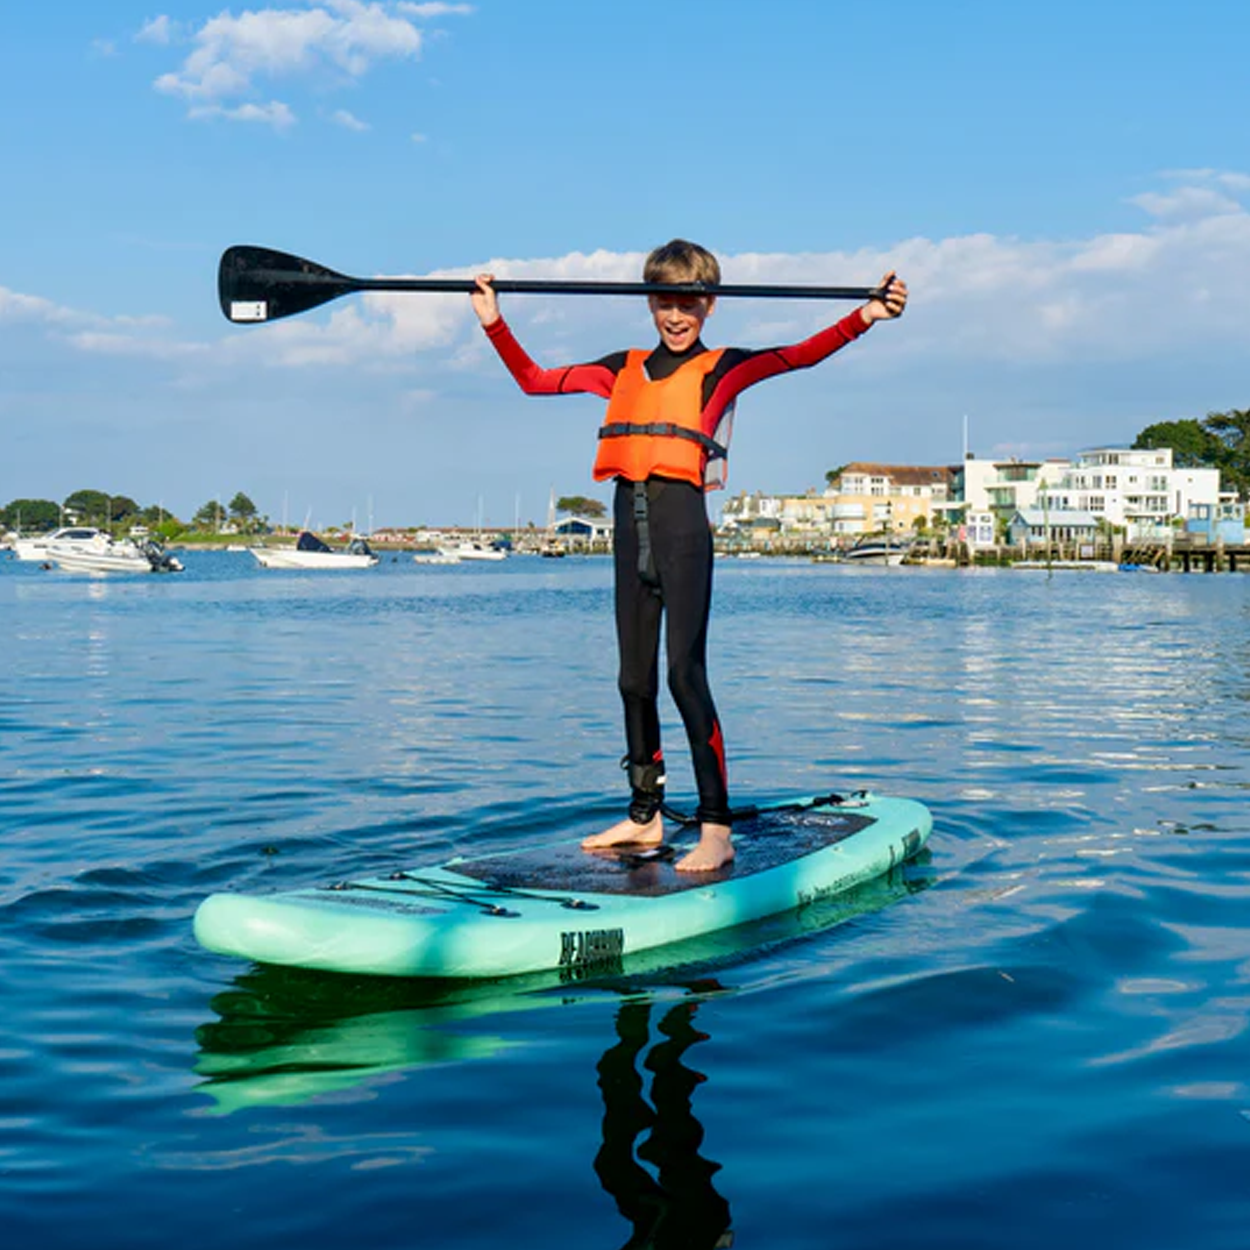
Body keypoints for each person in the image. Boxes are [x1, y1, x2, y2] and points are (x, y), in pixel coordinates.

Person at [471, 240, 907, 871]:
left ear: (709, 305)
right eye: (665, 303)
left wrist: (866, 315)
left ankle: (716, 828)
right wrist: (493, 320)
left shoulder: (723, 367)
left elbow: (800, 355)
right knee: (632, 679)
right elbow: (535, 381)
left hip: (683, 533)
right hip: (630, 527)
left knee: (684, 675)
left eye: (689, 304)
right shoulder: (619, 367)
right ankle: (644, 818)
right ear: (649, 302)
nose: (676, 317)